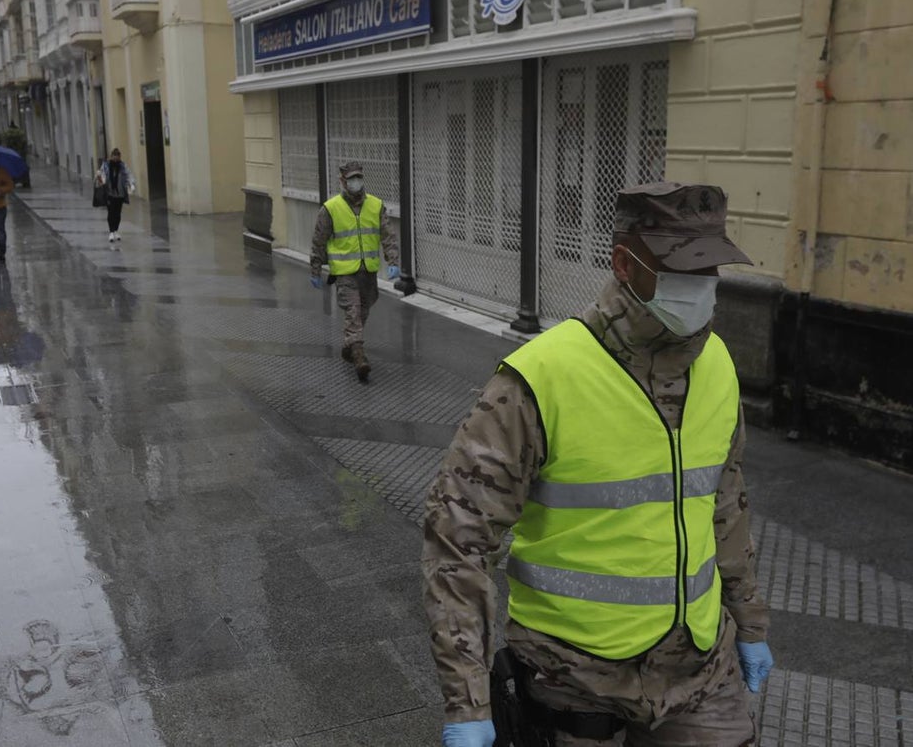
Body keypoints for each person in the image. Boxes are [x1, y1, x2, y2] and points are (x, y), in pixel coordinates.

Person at [424, 182, 773, 747]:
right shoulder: (540, 378)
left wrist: (749, 622)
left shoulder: (717, 365)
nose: (701, 283)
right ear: (624, 264)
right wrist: (468, 701)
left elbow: (726, 502)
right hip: (572, 677)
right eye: (681, 268)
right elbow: (458, 539)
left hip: (698, 668)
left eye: (709, 268)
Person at [309, 161, 400, 381]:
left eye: (358, 178)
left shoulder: (376, 205)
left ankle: (349, 347)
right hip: (344, 273)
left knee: (362, 312)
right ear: (342, 181)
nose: (355, 182)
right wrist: (315, 268)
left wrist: (393, 260)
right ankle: (359, 357)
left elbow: (387, 234)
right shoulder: (330, 209)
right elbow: (319, 240)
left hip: (368, 272)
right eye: (351, 179)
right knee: (353, 311)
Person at [95, 148, 136, 243]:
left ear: (119, 157)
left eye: (117, 157)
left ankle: (116, 230)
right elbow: (102, 177)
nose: (115, 159)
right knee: (111, 212)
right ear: (111, 156)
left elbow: (128, 175)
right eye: (114, 157)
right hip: (109, 193)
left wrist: (132, 184)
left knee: (118, 213)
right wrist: (99, 177)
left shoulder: (123, 166)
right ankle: (111, 232)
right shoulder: (106, 165)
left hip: (120, 194)